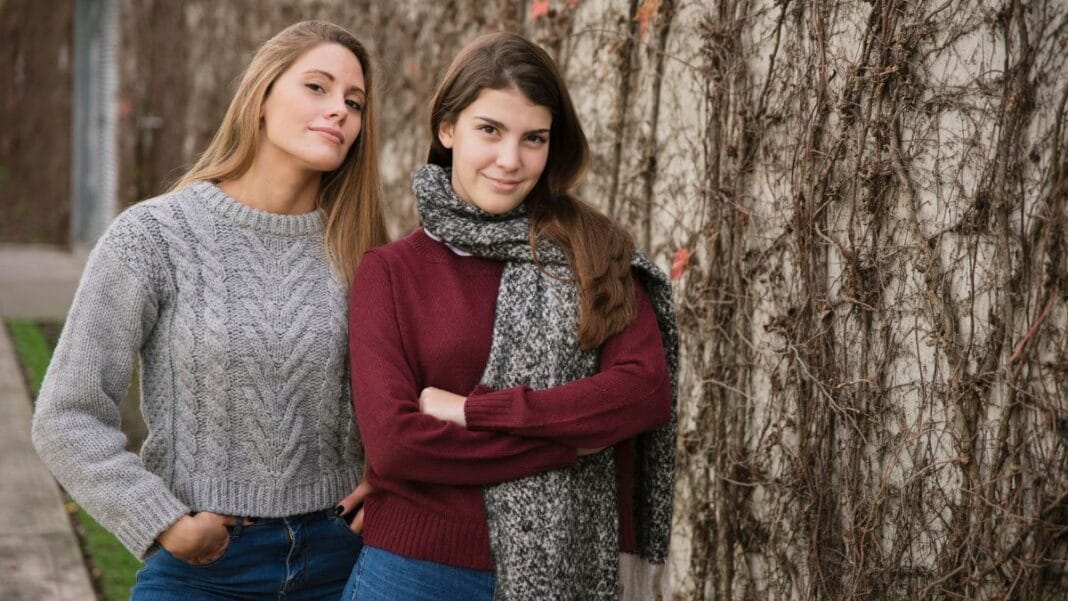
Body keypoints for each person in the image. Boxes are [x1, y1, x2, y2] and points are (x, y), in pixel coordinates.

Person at [31, 20, 386, 600]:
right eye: (317, 87)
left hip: (338, 561)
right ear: (261, 98)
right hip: (205, 565)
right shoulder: (155, 236)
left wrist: (386, 479)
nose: (339, 111)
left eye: (354, 101)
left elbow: (401, 392)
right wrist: (163, 521)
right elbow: (66, 413)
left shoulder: (360, 247)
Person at [345, 32, 678, 601]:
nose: (510, 160)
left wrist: (475, 411)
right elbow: (399, 445)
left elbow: (642, 392)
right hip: (416, 573)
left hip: (567, 570)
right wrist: (566, 449)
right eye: (490, 130)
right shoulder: (392, 273)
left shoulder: (595, 254)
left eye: (534, 139)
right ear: (448, 130)